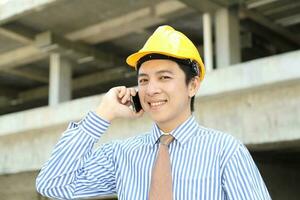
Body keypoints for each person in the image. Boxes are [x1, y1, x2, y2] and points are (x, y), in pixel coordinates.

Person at [36, 25, 271, 200]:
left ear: (193, 85)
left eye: (164, 77)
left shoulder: (225, 151)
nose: (152, 89)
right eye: (144, 80)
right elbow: (52, 184)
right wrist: (103, 114)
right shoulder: (122, 155)